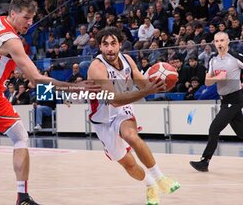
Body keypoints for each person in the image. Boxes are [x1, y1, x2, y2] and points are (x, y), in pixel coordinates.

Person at [0, 0, 100, 205]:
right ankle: (22, 198)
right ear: (13, 13)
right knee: (20, 137)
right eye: (26, 17)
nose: (30, 23)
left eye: (32, 18)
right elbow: (36, 79)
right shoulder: (12, 41)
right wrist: (76, 86)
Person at [87, 27, 180, 205]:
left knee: (131, 136)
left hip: (123, 109)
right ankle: (150, 184)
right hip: (103, 118)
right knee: (129, 165)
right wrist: (147, 91)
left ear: (120, 44)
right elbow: (113, 99)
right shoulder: (96, 68)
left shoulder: (128, 60)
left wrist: (162, 81)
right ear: (99, 47)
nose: (110, 49)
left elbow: (142, 82)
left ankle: (160, 178)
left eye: (113, 43)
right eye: (105, 45)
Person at [190, 31, 243, 172]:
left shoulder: (236, 57)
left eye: (222, 40)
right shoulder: (213, 60)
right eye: (217, 41)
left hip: (236, 99)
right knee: (241, 133)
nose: (219, 43)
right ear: (214, 43)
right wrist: (217, 79)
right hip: (225, 100)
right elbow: (207, 82)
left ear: (228, 41)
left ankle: (204, 161)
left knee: (214, 129)